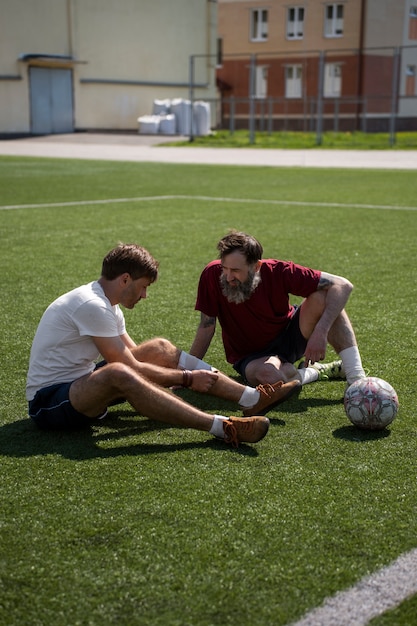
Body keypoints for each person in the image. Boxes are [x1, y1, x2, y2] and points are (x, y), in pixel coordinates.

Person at [26, 243, 299, 448]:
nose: (144, 295)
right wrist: (188, 378)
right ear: (124, 280)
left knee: (159, 348)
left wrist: (173, 371)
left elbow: (143, 362)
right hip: (49, 401)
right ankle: (223, 427)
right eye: (143, 287)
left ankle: (251, 398)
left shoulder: (108, 305)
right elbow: (129, 367)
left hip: (81, 385)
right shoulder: (92, 305)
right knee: (118, 372)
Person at [190, 230, 367, 394]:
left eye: (236, 270)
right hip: (250, 356)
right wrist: (188, 373)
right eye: (225, 268)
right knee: (270, 377)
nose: (228, 277)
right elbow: (207, 327)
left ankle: (357, 381)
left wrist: (321, 331)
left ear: (256, 266)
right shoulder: (211, 275)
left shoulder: (278, 271)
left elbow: (343, 285)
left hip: (291, 335)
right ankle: (314, 372)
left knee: (325, 296)